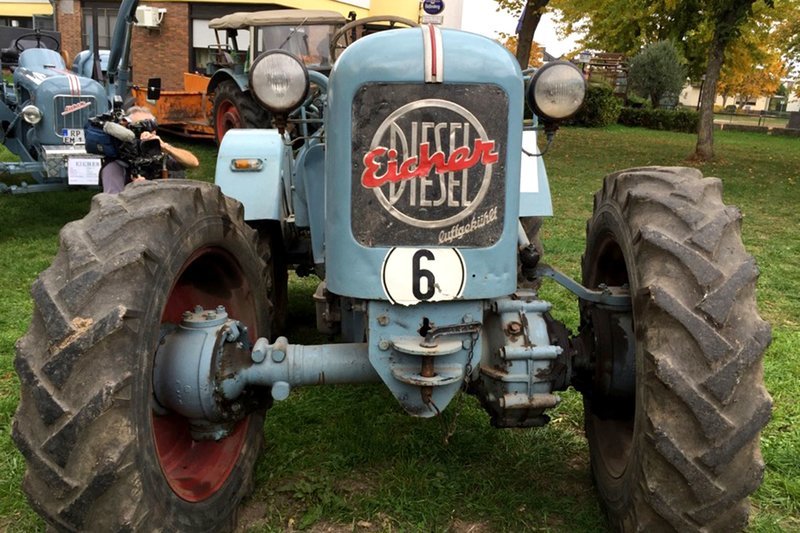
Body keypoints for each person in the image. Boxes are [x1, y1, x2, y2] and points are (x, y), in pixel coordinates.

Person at [100, 107, 200, 194]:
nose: (146, 134)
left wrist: (165, 147)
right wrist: (133, 190)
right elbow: (112, 208)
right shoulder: (116, 165)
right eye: (141, 129)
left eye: (151, 129)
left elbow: (193, 163)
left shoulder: (156, 152)